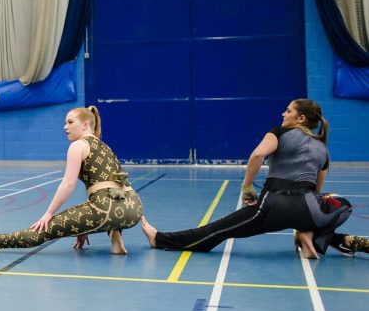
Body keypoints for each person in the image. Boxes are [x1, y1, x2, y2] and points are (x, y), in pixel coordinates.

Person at [141, 99, 352, 258]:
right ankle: (310, 234)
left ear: (301, 119)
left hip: (272, 207)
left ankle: (158, 239)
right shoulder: (323, 149)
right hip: (308, 211)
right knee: (343, 204)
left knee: (216, 231)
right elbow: (316, 190)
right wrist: (312, 224)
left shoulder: (279, 133)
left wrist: (247, 186)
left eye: (288, 110)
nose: (283, 113)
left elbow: (257, 155)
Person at [0, 106, 143, 255]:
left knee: (42, 229)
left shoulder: (78, 145)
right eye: (65, 122)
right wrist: (83, 226)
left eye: (70, 122)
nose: (65, 127)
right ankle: (115, 239)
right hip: (134, 209)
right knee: (104, 205)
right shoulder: (106, 146)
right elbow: (112, 187)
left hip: (107, 211)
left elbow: (68, 184)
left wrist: (48, 214)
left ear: (85, 125)